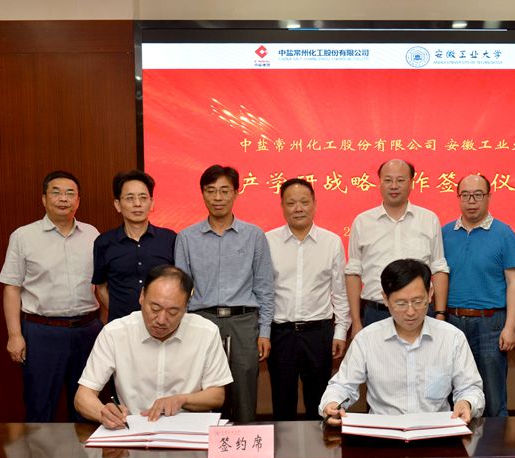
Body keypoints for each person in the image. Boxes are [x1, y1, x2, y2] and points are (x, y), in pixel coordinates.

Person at [320, 259, 484, 425]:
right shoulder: (367, 339)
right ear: (385, 298)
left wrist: (466, 403)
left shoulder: (452, 337)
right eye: (401, 303)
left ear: (430, 294)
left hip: (435, 431)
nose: (411, 312)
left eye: (418, 301)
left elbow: (470, 388)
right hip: (383, 432)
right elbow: (342, 386)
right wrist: (332, 403)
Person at [0, 170, 102, 422]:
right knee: (40, 405)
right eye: (56, 193)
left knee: (86, 407)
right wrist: (14, 335)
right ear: (44, 199)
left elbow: (102, 284)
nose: (63, 199)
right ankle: (38, 450)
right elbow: (11, 287)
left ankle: (84, 450)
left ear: (78, 200)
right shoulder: (24, 236)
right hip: (42, 332)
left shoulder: (92, 234)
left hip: (87, 330)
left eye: (70, 193)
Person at [74, 265, 233, 428]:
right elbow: (83, 397)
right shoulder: (114, 333)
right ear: (142, 296)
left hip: (189, 430)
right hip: (134, 429)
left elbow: (217, 396)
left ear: (186, 306)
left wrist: (182, 399)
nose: (161, 320)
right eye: (155, 308)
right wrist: (103, 414)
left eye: (173, 312)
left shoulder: (206, 332)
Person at [175, 164, 274, 423]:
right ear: (202, 194)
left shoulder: (254, 236)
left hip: (244, 322)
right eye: (211, 191)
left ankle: (245, 446)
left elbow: (264, 288)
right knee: (204, 391)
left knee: (244, 394)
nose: (217, 197)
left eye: (224, 191)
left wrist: (264, 332)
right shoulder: (186, 238)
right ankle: (204, 445)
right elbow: (180, 292)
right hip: (202, 321)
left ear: (236, 193)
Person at [266, 179, 350, 420]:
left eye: (304, 202)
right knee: (282, 403)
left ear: (314, 204)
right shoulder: (268, 241)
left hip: (318, 333)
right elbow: (263, 292)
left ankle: (321, 447)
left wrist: (340, 332)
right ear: (282, 206)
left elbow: (340, 293)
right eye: (291, 203)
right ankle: (283, 446)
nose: (298, 208)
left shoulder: (331, 242)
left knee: (319, 403)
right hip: (280, 334)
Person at [442, 173, 515, 417]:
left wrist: (510, 327)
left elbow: (514, 283)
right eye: (465, 195)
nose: (471, 201)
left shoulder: (504, 233)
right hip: (452, 322)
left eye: (478, 195)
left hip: (491, 323)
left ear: (489, 197)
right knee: (450, 393)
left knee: (493, 395)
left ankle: (495, 441)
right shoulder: (444, 233)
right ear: (458, 198)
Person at [345, 159, 449, 337]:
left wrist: (440, 314)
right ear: (379, 183)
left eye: (400, 180)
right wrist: (356, 321)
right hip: (376, 313)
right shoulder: (362, 222)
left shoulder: (428, 219)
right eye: (388, 180)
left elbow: (439, 268)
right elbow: (353, 273)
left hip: (420, 313)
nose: (394, 186)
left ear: (411, 183)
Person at [92, 169, 176, 322]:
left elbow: (179, 283)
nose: (137, 204)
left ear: (152, 203)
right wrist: (120, 316)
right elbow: (101, 287)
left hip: (163, 324)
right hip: (121, 326)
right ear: (118, 205)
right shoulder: (104, 242)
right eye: (130, 198)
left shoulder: (170, 239)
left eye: (143, 198)